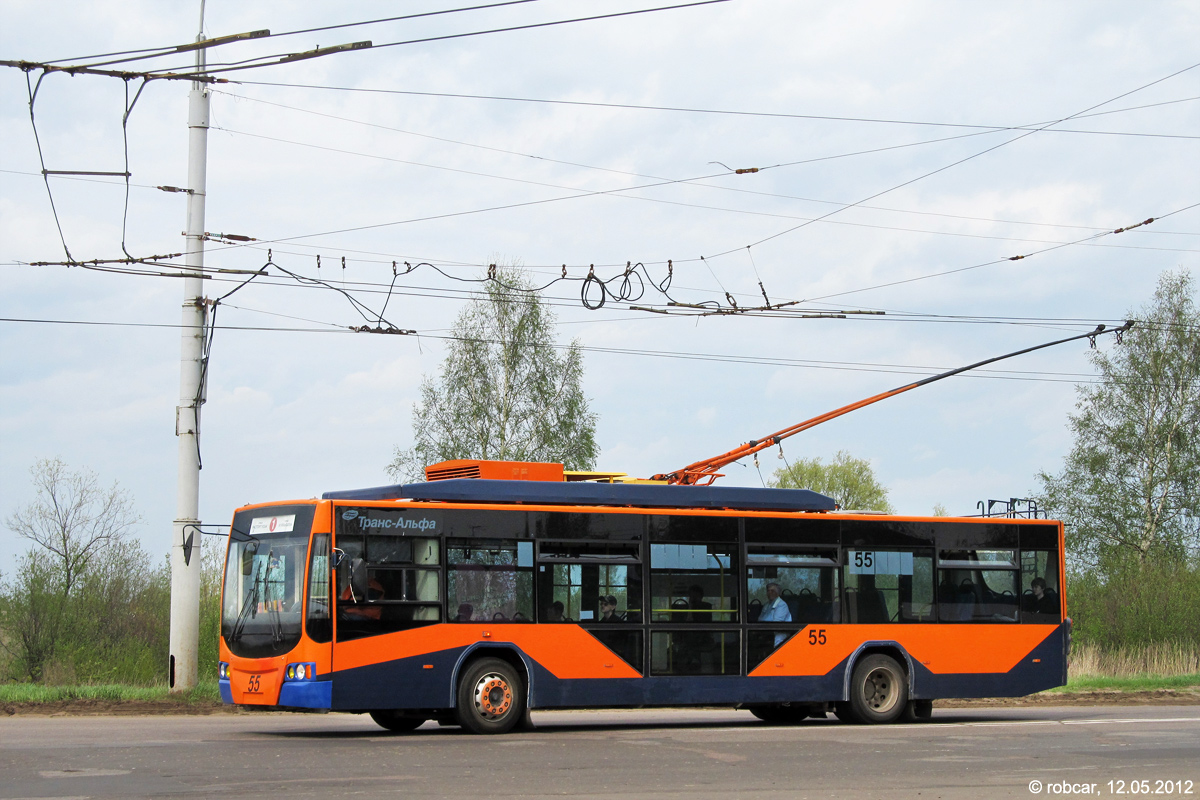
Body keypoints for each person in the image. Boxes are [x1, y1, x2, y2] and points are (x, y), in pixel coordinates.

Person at [758, 582, 792, 647]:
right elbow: (760, 619)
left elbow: (776, 623)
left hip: (778, 634)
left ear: (778, 593)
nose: (770, 593)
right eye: (768, 591)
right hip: (766, 632)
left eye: (772, 591)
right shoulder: (766, 605)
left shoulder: (782, 605)